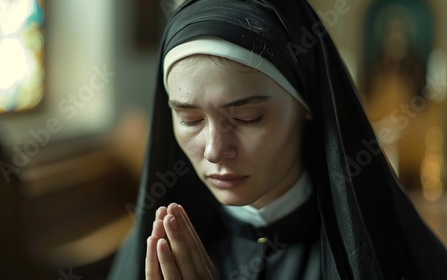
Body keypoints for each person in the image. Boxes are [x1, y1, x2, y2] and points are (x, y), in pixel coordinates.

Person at [108, 0, 447, 279]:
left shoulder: (385, 249)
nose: (214, 151)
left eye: (247, 118)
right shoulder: (151, 251)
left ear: (307, 104)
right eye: (189, 119)